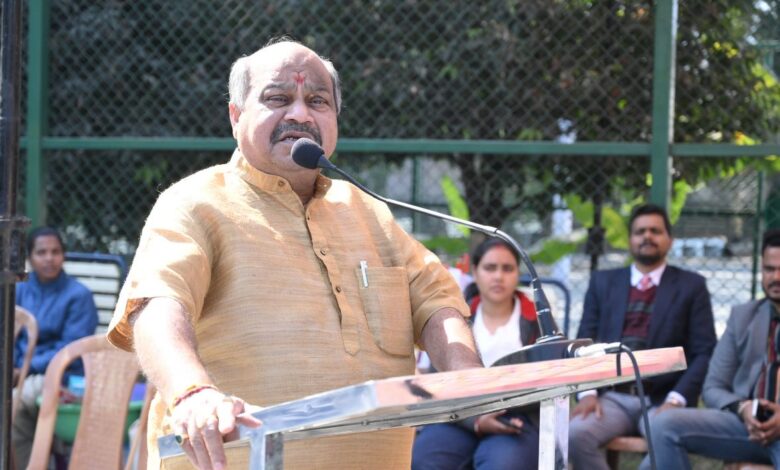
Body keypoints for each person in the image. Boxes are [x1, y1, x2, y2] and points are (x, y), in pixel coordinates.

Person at [106, 38, 482, 470]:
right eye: (278, 98)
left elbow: (436, 301)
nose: (301, 114)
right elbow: (157, 307)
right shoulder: (194, 203)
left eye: (318, 101)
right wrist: (192, 393)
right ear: (235, 115)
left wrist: (466, 375)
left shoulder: (369, 212)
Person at [568, 203, 717, 470]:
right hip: (612, 397)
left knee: (667, 442)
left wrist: (676, 400)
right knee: (575, 433)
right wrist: (588, 393)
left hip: (663, 399)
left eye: (655, 231)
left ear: (670, 240)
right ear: (630, 240)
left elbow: (704, 352)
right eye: (640, 232)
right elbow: (584, 344)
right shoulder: (603, 282)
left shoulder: (691, 286)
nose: (647, 236)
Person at [644, 229, 780, 469]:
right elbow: (713, 387)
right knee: (664, 424)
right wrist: (743, 408)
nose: (776, 277)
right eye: (769, 269)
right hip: (745, 426)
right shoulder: (743, 317)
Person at [411, 238, 540, 469]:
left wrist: (504, 411)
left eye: (507, 268)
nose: (498, 276)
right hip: (458, 414)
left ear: (517, 274)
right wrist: (476, 420)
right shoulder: (453, 318)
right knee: (425, 458)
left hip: (515, 417)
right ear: (475, 272)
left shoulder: (536, 319)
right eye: (490, 268)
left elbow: (548, 380)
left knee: (503, 464)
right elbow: (439, 382)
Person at [12, 226, 98, 468]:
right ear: (30, 257)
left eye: (55, 251)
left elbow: (69, 350)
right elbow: (8, 335)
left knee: (17, 402)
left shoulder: (79, 295)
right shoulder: (18, 290)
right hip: (19, 371)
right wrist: (11, 367)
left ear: (63, 255)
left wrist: (23, 370)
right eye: (41, 252)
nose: (49, 258)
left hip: (62, 376)